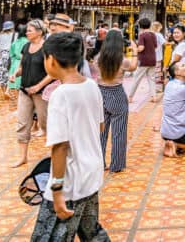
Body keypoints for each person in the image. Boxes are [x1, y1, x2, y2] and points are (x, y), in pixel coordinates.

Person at [30, 32, 109, 242]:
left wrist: (57, 191)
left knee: (49, 235)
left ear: (52, 60)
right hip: (92, 171)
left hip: (70, 180)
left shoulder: (60, 94)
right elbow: (100, 126)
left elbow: (60, 146)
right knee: (91, 231)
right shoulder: (92, 86)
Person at [10, 19, 50, 168]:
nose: (26, 32)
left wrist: (38, 86)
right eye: (27, 30)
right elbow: (22, 66)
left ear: (39, 32)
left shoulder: (47, 48)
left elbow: (52, 72)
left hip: (41, 93)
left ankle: (56, 157)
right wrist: (15, 74)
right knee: (22, 123)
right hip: (25, 91)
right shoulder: (26, 46)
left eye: (30, 30)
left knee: (46, 123)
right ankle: (23, 157)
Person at [97, 30, 138, 173]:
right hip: (117, 94)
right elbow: (133, 66)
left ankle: (99, 163)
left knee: (100, 132)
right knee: (119, 132)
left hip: (100, 93)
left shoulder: (98, 58)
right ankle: (117, 165)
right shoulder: (122, 60)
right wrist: (135, 51)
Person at [128, 17, 158, 103]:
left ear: (140, 26)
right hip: (153, 59)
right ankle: (154, 96)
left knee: (136, 78)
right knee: (151, 79)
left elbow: (141, 48)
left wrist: (134, 48)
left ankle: (130, 97)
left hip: (144, 60)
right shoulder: (153, 35)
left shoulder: (142, 35)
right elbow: (155, 46)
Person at [0, 21, 16, 99]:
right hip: (12, 55)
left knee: (2, 74)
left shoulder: (0, 36)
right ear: (12, 27)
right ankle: (7, 91)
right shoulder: (16, 35)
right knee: (11, 73)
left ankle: (4, 92)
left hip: (3, 55)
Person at [7, 24, 28, 96]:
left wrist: (14, 61)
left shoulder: (15, 42)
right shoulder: (28, 42)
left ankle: (17, 100)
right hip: (24, 63)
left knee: (16, 83)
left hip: (15, 63)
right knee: (21, 84)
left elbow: (11, 54)